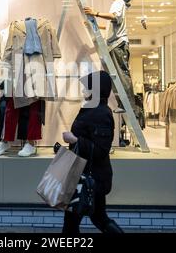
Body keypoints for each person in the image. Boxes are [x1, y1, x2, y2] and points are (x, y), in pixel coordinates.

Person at [62, 71, 123, 234]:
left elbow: (101, 150)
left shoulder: (100, 113)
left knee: (72, 223)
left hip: (90, 178)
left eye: (87, 88)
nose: (83, 91)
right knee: (98, 218)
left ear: (96, 90)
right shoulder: (93, 109)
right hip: (88, 176)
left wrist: (75, 140)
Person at [83, 0, 139, 118]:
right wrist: (95, 25)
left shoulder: (119, 2)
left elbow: (115, 17)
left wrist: (95, 13)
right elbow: (112, 24)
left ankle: (129, 105)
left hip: (118, 44)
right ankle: (124, 104)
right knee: (118, 77)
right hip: (115, 44)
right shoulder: (117, 3)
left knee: (122, 76)